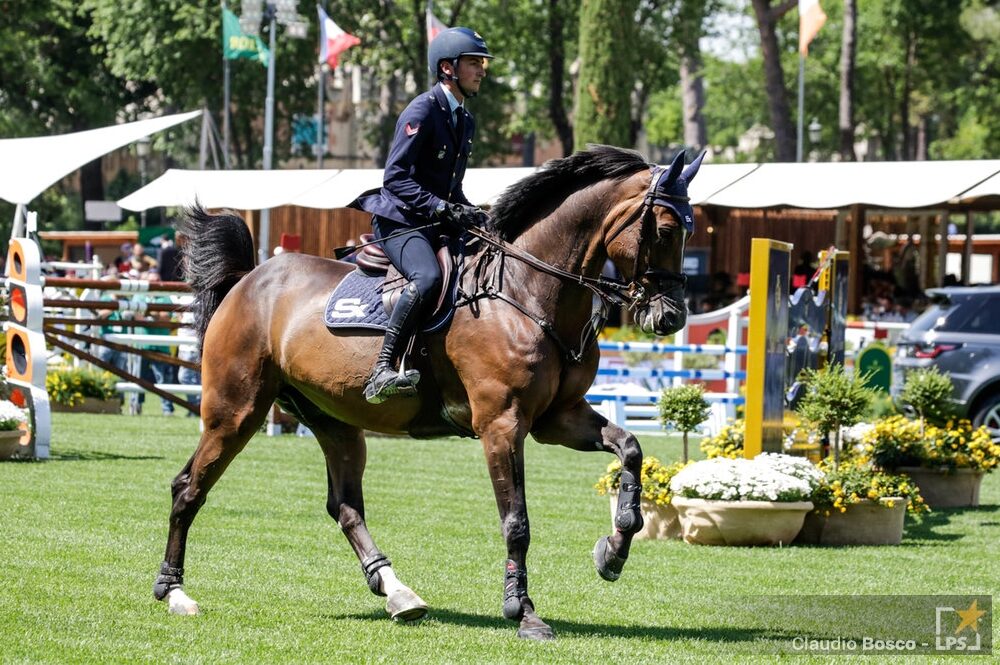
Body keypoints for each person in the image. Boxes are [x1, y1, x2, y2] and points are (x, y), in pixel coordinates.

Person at [353, 27, 493, 404]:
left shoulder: (465, 120)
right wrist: (439, 206)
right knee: (428, 277)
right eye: (474, 63)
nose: (482, 70)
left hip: (433, 220)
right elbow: (395, 177)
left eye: (483, 64)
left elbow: (451, 188)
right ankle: (382, 367)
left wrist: (473, 213)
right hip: (399, 220)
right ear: (448, 68)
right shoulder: (422, 110)